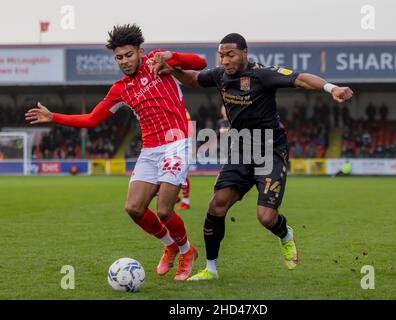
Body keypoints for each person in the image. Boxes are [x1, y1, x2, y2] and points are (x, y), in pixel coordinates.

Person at [151, 33, 353, 280]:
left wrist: (332, 88)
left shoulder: (263, 75)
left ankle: (285, 234)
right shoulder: (220, 76)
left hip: (270, 150)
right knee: (217, 206)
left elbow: (301, 79)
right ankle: (211, 269)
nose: (225, 60)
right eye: (222, 55)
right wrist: (172, 69)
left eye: (231, 55)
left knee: (266, 217)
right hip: (239, 150)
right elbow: (194, 79)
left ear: (245, 53)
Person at [25, 24, 207, 281]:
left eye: (128, 55)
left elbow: (200, 63)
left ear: (140, 52)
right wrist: (53, 116)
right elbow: (91, 120)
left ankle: (187, 252)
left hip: (176, 141)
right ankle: (171, 245)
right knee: (134, 208)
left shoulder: (158, 62)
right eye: (119, 57)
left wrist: (171, 57)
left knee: (164, 210)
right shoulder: (120, 89)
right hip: (151, 149)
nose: (124, 61)